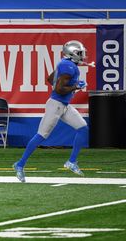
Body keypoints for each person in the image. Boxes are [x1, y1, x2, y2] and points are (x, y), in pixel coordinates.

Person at [13, 40, 90, 183]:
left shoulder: (66, 64)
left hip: (64, 105)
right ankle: (20, 164)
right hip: (56, 105)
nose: (82, 55)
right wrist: (76, 87)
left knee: (83, 128)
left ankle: (72, 162)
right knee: (42, 135)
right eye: (79, 53)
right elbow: (59, 90)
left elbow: (50, 79)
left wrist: (72, 86)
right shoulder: (69, 67)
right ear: (71, 54)